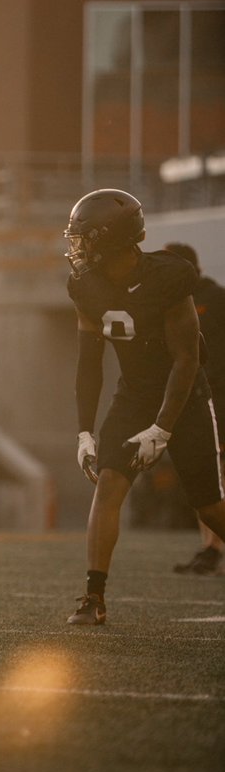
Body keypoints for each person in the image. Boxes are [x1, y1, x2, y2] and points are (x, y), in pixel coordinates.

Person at [63, 189, 225, 625]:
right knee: (109, 484)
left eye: (85, 238)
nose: (78, 247)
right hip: (133, 395)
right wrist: (84, 431)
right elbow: (89, 364)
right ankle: (94, 597)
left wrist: (163, 429)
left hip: (185, 395)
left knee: (208, 506)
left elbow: (187, 359)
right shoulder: (85, 285)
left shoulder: (168, 276)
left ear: (112, 239)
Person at [164, 242, 225, 575]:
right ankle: (208, 548)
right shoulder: (172, 300)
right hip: (195, 399)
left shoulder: (216, 299)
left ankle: (213, 548)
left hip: (220, 398)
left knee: (217, 475)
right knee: (204, 476)